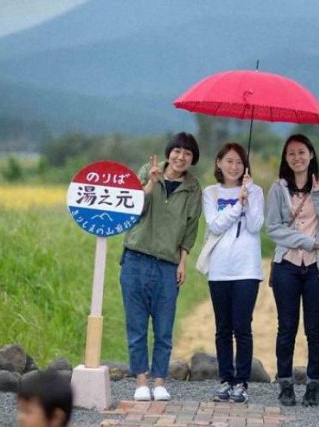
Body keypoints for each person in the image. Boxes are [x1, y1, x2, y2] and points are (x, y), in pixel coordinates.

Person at [120, 132, 202, 401]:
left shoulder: (193, 188)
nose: (181, 157)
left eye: (187, 153)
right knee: (137, 326)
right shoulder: (147, 171)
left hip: (168, 265)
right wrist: (150, 185)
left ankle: (159, 381)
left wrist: (183, 262)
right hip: (136, 258)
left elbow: (190, 228)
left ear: (192, 160)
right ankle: (141, 381)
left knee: (164, 328)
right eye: (177, 151)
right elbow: (132, 209)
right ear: (169, 153)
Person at [266, 134, 319, 407]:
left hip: (316, 269)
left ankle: (313, 385)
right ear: (286, 159)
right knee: (286, 328)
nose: (297, 158)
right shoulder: (278, 189)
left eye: (301, 152)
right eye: (291, 154)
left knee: (315, 329)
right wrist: (306, 241)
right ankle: (285, 383)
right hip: (287, 265)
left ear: (311, 154)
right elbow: (273, 228)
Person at [202, 143, 264, 403]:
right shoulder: (210, 193)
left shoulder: (256, 191)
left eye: (239, 162)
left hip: (247, 269)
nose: (234, 166)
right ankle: (226, 380)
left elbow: (255, 224)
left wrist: (247, 199)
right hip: (219, 269)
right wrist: (237, 205)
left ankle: (242, 383)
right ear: (219, 163)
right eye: (228, 161)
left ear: (245, 166)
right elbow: (215, 225)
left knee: (243, 327)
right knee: (222, 328)